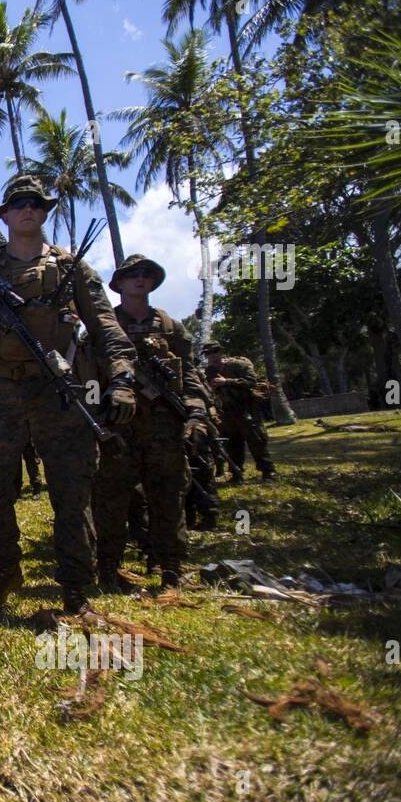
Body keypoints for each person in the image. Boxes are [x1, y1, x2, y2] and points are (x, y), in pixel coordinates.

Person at [0, 174, 137, 615]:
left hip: (59, 388)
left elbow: (107, 327)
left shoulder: (72, 269)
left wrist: (122, 379)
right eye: (19, 203)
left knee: (70, 488)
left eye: (36, 202)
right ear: (6, 215)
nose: (28, 208)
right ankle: (6, 567)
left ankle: (75, 587)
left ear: (44, 212)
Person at [92, 254, 213, 598]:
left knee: (168, 497)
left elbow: (190, 375)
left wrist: (196, 413)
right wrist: (98, 421)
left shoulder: (171, 327)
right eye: (132, 275)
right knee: (111, 499)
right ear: (118, 285)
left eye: (146, 274)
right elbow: (87, 379)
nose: (140, 279)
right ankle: (108, 567)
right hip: (119, 427)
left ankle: (170, 569)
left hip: (164, 426)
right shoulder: (103, 329)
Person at [203, 342, 277, 483]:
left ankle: (268, 472)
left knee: (256, 441)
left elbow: (251, 381)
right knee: (232, 443)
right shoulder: (209, 372)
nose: (211, 356)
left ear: (221, 352)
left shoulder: (238, 365)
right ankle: (236, 473)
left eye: (214, 352)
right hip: (226, 411)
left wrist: (227, 381)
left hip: (246, 407)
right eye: (208, 354)